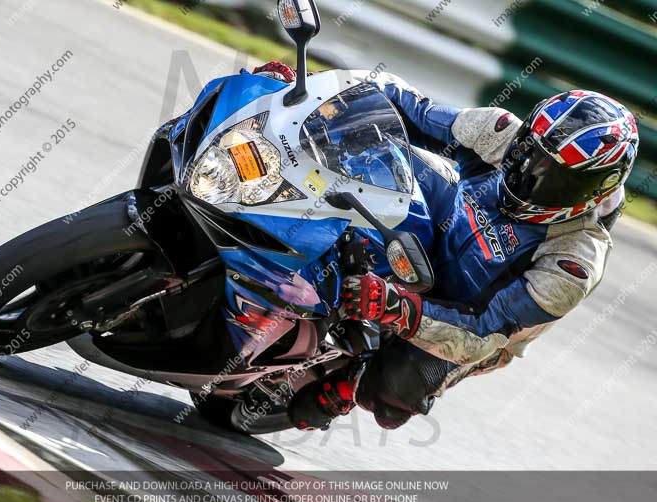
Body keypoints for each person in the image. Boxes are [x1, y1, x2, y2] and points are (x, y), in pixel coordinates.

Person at [252, 62, 640, 431]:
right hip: (444, 224)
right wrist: (311, 92)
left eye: (556, 180)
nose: (531, 176)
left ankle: (351, 381)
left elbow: (484, 330)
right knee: (371, 153)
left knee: (393, 388)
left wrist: (398, 307)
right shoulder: (499, 131)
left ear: (595, 192)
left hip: (474, 314)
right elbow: (406, 106)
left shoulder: (573, 262)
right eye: (530, 155)